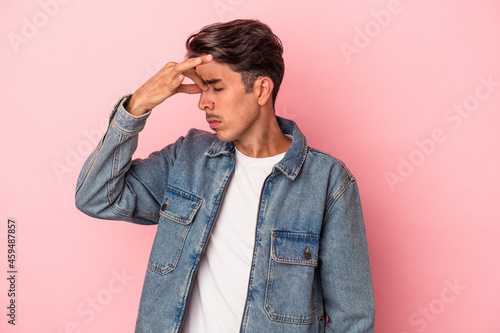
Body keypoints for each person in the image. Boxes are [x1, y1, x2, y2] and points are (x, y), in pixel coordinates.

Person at [75, 19, 375, 333]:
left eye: (216, 88)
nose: (204, 102)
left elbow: (352, 320)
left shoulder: (328, 182)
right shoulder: (187, 158)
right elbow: (95, 197)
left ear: (261, 89)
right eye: (202, 90)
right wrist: (138, 105)